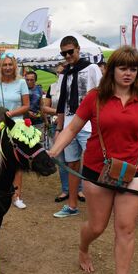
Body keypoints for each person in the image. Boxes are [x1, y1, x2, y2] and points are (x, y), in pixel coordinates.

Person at [47, 46, 138, 274]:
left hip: (132, 174)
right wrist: (54, 152)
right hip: (97, 170)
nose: (128, 73)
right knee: (97, 226)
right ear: (112, 70)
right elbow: (72, 127)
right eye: (122, 68)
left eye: (133, 69)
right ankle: (84, 247)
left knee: (126, 229)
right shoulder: (95, 97)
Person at [53, 36, 102, 218]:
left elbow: (101, 95)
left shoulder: (91, 69)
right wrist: (59, 128)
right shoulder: (64, 73)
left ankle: (99, 206)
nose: (67, 56)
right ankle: (72, 205)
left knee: (95, 165)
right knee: (72, 164)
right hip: (69, 124)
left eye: (70, 52)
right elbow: (61, 104)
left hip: (89, 125)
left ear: (78, 49)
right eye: (63, 53)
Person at [0, 52, 30, 209]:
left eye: (10, 64)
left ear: (14, 66)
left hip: (17, 126)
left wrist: (11, 114)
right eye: (4, 65)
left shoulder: (21, 83)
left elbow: (26, 105)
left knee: (16, 162)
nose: (7, 67)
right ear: (0, 66)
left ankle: (16, 195)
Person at [42, 62, 83, 203]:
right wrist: (61, 112)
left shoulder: (75, 86)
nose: (60, 74)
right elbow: (45, 108)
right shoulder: (52, 88)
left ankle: (80, 189)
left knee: (75, 159)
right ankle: (65, 189)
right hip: (57, 125)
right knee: (61, 159)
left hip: (74, 126)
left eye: (63, 72)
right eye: (58, 72)